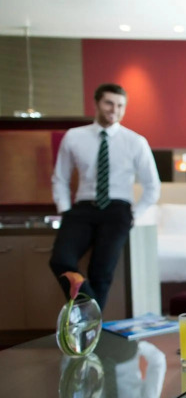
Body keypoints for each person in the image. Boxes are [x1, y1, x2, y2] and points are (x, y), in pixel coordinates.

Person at [49, 83, 160, 309]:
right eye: (109, 103)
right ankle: (88, 314)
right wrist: (65, 210)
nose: (114, 110)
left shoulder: (136, 142)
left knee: (101, 273)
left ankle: (88, 325)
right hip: (82, 209)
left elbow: (152, 186)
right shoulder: (74, 137)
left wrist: (133, 215)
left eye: (120, 105)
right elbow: (60, 178)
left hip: (118, 210)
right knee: (60, 260)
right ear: (97, 104)